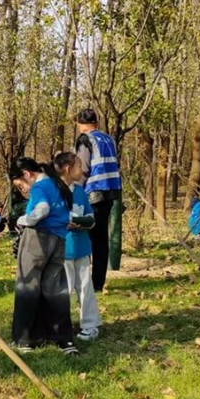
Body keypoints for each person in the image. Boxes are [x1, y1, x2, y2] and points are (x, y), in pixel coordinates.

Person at [8, 157, 77, 355]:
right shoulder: (58, 184)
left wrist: (23, 219)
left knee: (27, 287)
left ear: (27, 175)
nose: (24, 189)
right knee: (55, 290)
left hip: (37, 239)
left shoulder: (39, 188)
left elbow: (42, 209)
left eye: (21, 185)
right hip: (60, 240)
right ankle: (64, 340)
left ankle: (24, 340)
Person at [55, 152, 102, 341]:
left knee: (85, 287)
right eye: (78, 166)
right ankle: (61, 326)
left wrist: (83, 222)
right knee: (62, 290)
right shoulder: (52, 191)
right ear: (68, 169)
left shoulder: (80, 191)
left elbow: (91, 218)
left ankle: (90, 326)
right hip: (61, 249)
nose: (82, 170)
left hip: (81, 248)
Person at [75, 108, 122, 292]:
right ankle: (98, 284)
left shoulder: (86, 140)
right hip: (110, 192)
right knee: (101, 241)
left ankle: (85, 283)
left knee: (86, 239)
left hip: (92, 194)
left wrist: (74, 191)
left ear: (80, 124)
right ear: (96, 122)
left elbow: (82, 168)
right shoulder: (108, 138)